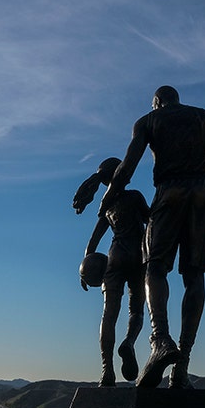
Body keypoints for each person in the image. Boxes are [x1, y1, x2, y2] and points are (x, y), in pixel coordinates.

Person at [100, 85, 205, 389]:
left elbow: (126, 169)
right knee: (195, 276)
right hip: (202, 194)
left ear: (157, 103)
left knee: (155, 267)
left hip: (169, 191)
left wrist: (108, 199)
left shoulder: (148, 121)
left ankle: (160, 338)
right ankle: (181, 368)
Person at [75, 156, 148, 386]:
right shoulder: (135, 197)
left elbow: (92, 243)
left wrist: (84, 272)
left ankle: (107, 370)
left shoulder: (106, 207)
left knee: (109, 315)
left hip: (113, 258)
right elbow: (151, 221)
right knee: (136, 310)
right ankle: (129, 342)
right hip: (138, 257)